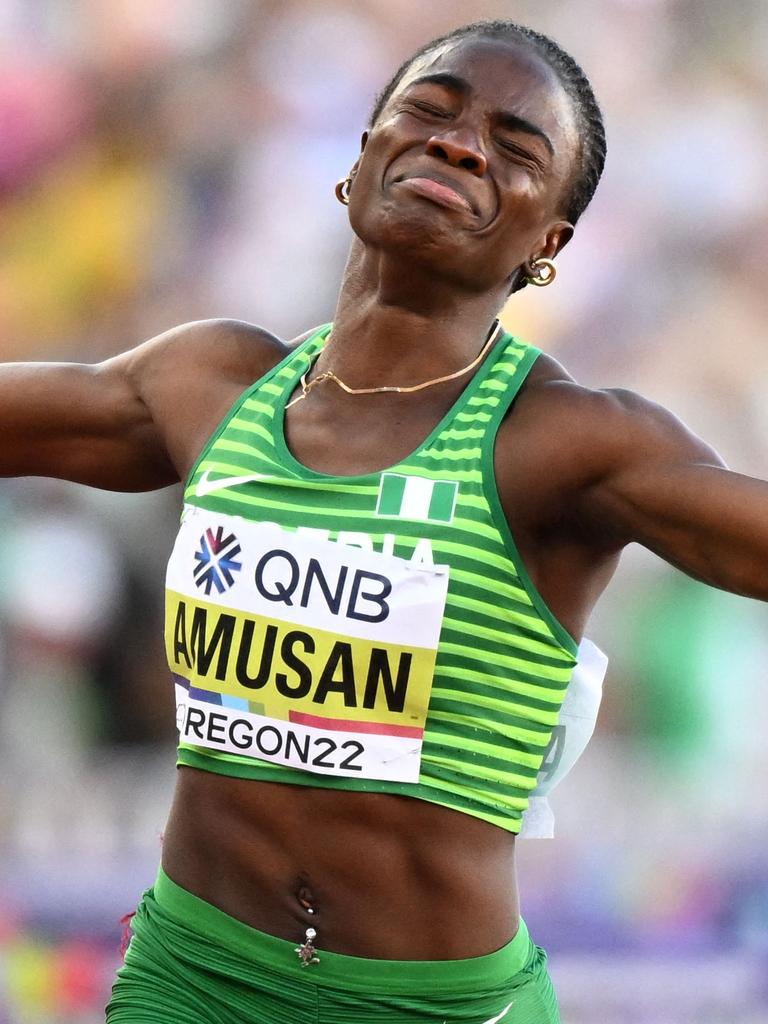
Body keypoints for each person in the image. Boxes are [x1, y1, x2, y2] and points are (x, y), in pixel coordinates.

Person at [2, 17, 766, 1024]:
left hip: (436, 1006)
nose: (459, 143)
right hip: (193, 979)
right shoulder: (207, 384)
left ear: (550, 244)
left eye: (516, 147)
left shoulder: (567, 443)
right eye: (430, 109)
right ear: (359, 156)